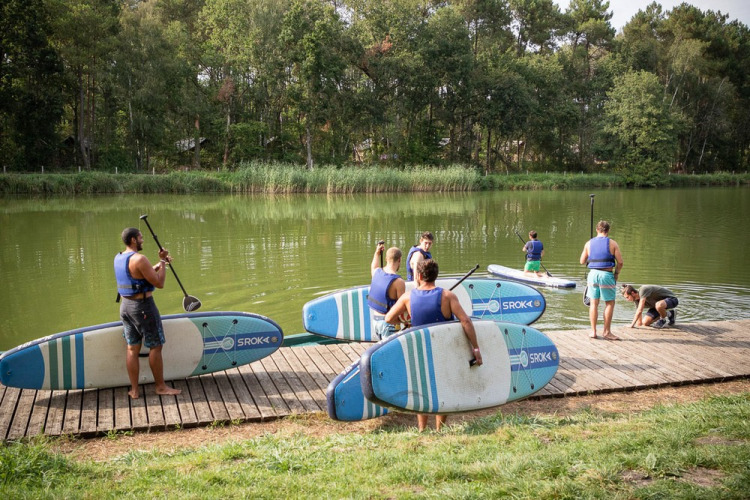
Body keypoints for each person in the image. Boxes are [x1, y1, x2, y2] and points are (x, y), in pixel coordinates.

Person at [384, 259, 483, 432]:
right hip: (443, 351)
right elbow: (465, 321)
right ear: (435, 276)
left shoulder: (408, 297)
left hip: (420, 350)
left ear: (419, 276)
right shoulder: (447, 296)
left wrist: (405, 322)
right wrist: (475, 348)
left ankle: (422, 429)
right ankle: (440, 429)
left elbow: (388, 318)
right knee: (443, 388)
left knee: (422, 388)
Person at [115, 227, 181, 399]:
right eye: (140, 238)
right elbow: (159, 283)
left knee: (132, 348)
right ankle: (160, 387)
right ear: (133, 240)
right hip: (143, 308)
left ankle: (134, 391)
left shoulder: (119, 257)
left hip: (125, 307)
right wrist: (164, 263)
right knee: (156, 346)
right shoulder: (140, 258)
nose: (143, 240)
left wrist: (156, 266)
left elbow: (136, 275)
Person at [579, 220, 624, 341]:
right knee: (609, 303)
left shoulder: (589, 243)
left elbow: (582, 261)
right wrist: (616, 274)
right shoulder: (613, 243)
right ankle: (606, 332)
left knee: (594, 303)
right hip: (606, 274)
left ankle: (593, 331)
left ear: (596, 230)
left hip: (593, 275)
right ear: (608, 231)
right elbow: (620, 262)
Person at [367, 242, 406, 339]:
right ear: (400, 259)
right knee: (392, 354)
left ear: (386, 259)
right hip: (389, 325)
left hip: (375, 321)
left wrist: (377, 253)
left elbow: (373, 266)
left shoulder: (376, 272)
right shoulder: (399, 282)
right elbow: (403, 307)